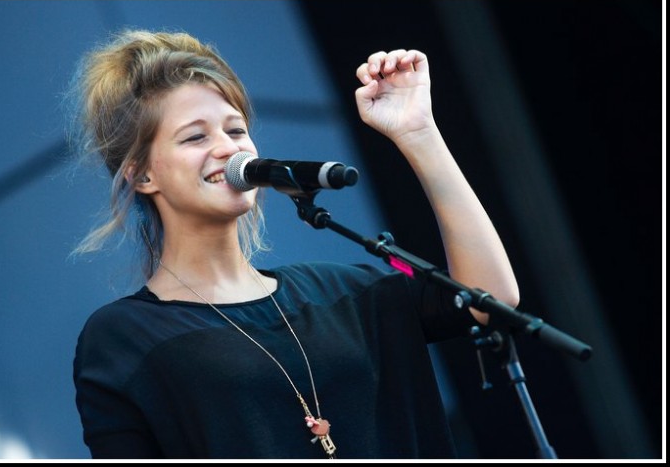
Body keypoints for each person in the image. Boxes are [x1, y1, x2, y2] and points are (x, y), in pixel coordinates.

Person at [71, 28, 519, 459]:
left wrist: (419, 134)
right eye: (195, 136)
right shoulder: (125, 338)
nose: (228, 148)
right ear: (141, 174)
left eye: (236, 129)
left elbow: (490, 298)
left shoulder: (342, 292)